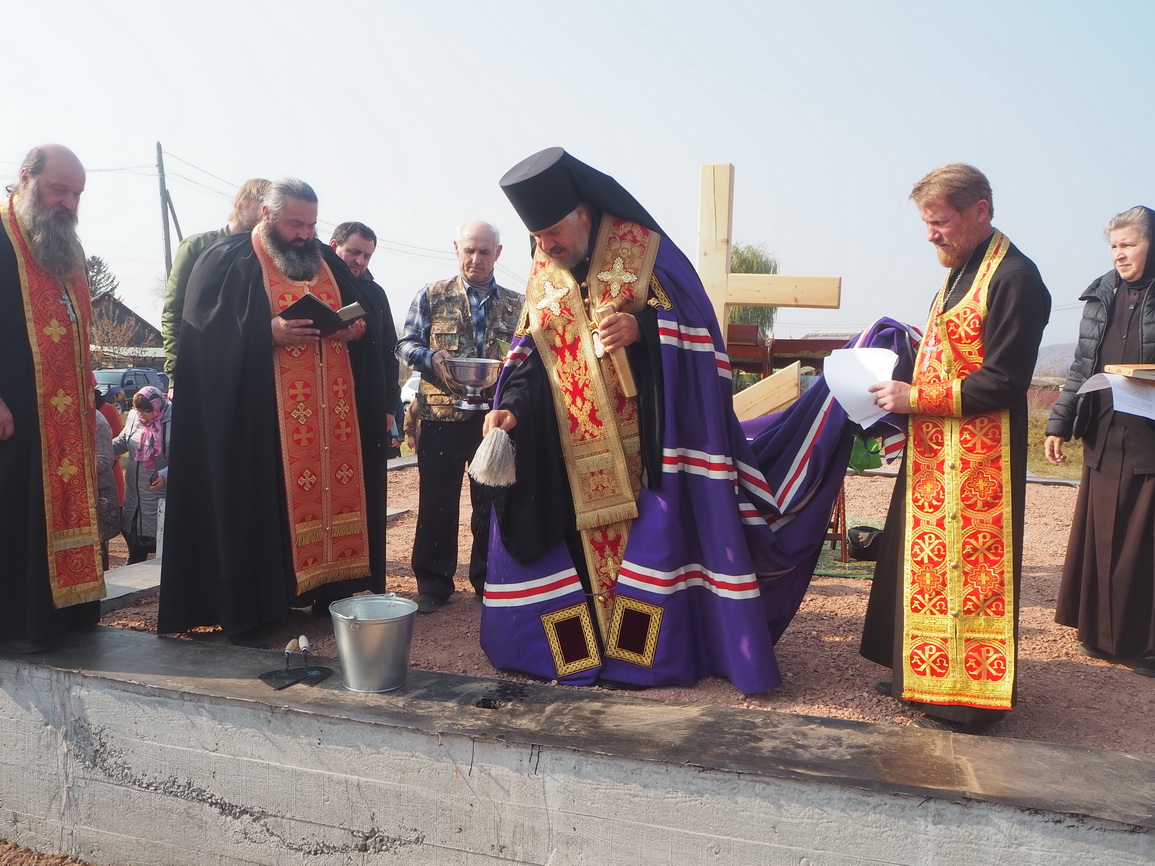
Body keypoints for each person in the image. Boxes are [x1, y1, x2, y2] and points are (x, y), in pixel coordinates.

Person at [477, 147, 875, 692]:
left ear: (584, 216)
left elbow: (698, 338)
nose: (545, 248)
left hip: (649, 456)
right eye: (538, 239)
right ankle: (578, 649)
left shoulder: (647, 255)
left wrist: (643, 331)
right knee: (569, 547)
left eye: (552, 234)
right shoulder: (546, 274)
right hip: (569, 455)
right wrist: (510, 407)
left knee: (651, 552)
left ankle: (641, 659)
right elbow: (530, 355)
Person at [158, 178, 393, 642]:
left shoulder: (327, 262)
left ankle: (335, 592)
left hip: (334, 423)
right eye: (295, 224)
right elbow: (204, 340)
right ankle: (262, 602)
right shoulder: (227, 259)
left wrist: (355, 330)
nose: (305, 234)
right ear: (266, 215)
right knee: (265, 509)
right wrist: (268, 332)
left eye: (311, 224)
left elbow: (369, 318)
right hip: (264, 429)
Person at [861, 163, 1051, 732]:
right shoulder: (961, 269)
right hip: (934, 451)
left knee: (970, 575)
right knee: (923, 564)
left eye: (939, 222)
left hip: (981, 459)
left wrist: (915, 396)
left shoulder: (1016, 278)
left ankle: (967, 699)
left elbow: (1003, 381)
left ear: (980, 212)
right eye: (926, 223)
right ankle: (914, 673)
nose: (931, 235)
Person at [0, 144, 105, 652]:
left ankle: (65, 615)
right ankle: (18, 624)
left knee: (59, 508)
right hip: (14, 409)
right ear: (25, 178)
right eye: (58, 189)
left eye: (76, 193)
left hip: (64, 414)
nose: (68, 203)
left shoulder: (62, 247)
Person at [1045, 206, 1155, 676]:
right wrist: (1059, 422)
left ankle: (1146, 646)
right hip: (1106, 427)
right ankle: (1100, 635)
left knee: (1144, 541)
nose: (1120, 255)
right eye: (1114, 246)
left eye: (1129, 244)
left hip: (1150, 433)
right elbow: (1081, 365)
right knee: (1103, 534)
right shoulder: (1101, 294)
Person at [396, 221, 522, 612]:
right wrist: (430, 357)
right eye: (469, 250)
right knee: (436, 501)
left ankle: (489, 580)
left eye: (484, 252)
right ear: (456, 248)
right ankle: (433, 584)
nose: (476, 259)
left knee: (492, 500)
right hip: (439, 416)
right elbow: (404, 344)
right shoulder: (432, 296)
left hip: (492, 420)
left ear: (498, 254)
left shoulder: (518, 304)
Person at [161, 178, 270, 388]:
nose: (266, 213)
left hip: (250, 372)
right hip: (204, 366)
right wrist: (175, 375)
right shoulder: (197, 246)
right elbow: (174, 312)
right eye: (261, 204)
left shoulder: (266, 253)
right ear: (243, 202)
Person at [113, 386, 171, 564]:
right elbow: (123, 441)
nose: (141, 415)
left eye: (146, 411)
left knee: (162, 554)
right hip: (134, 496)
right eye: (138, 410)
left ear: (157, 407)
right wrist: (101, 450)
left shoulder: (175, 421)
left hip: (159, 495)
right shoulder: (133, 417)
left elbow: (186, 459)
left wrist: (164, 475)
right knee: (135, 546)